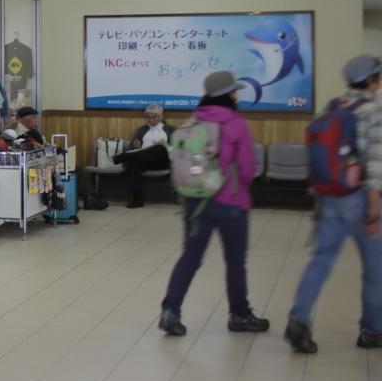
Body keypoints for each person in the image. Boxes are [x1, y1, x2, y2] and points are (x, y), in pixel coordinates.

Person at [159, 71, 268, 337]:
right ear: (228, 94)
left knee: (190, 257)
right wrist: (238, 188)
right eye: (235, 91)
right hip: (231, 204)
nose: (237, 96)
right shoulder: (237, 124)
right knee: (235, 262)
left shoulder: (194, 122)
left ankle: (170, 311)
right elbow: (247, 169)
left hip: (194, 202)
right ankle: (240, 315)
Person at [285, 55, 382, 354]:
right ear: (371, 80)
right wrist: (374, 209)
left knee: (321, 260)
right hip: (360, 198)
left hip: (329, 198)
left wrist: (319, 201)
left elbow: (323, 159)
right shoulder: (373, 111)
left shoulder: (333, 107)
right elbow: (375, 163)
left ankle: (299, 319)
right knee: (375, 268)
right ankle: (372, 330)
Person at [113, 103, 175, 208]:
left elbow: (177, 149)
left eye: (154, 117)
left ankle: (123, 157)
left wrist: (165, 147)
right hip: (144, 161)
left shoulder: (170, 130)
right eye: (149, 117)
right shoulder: (141, 130)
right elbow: (132, 147)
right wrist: (135, 146)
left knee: (158, 148)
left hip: (162, 161)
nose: (151, 120)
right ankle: (137, 199)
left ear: (160, 117)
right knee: (132, 164)